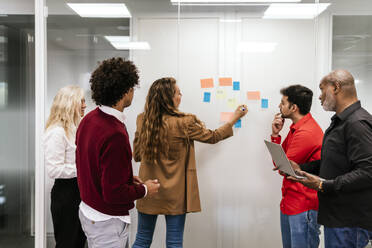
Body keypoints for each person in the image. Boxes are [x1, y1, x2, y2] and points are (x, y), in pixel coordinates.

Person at [132, 77, 248, 248]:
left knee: (142, 240)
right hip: (176, 193)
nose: (181, 96)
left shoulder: (143, 119)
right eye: (178, 93)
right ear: (168, 98)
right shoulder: (184, 122)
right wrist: (234, 118)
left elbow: (137, 155)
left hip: (149, 190)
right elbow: (213, 136)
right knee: (174, 242)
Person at [75, 57, 160, 248]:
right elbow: (113, 193)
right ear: (124, 91)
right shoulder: (114, 133)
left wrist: (127, 178)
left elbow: (94, 166)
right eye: (131, 88)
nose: (132, 92)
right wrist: (145, 189)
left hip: (89, 211)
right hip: (107, 221)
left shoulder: (89, 119)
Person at [288, 70, 372, 248]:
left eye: (322, 89)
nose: (319, 97)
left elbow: (367, 172)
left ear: (336, 87)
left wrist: (322, 185)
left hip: (349, 222)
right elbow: (333, 163)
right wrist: (302, 168)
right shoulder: (341, 122)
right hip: (337, 219)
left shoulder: (357, 123)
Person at [270, 85, 323, 248]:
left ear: (294, 107)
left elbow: (283, 168)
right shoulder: (296, 128)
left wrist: (282, 164)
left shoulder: (306, 132)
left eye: (283, 103)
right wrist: (275, 135)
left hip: (303, 206)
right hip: (291, 201)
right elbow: (281, 163)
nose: (279, 106)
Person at [43, 85, 87, 248]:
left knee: (78, 242)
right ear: (69, 104)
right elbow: (53, 169)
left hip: (78, 193)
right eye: (81, 101)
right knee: (67, 243)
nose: (84, 105)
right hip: (66, 195)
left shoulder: (75, 128)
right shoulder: (57, 132)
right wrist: (84, 169)